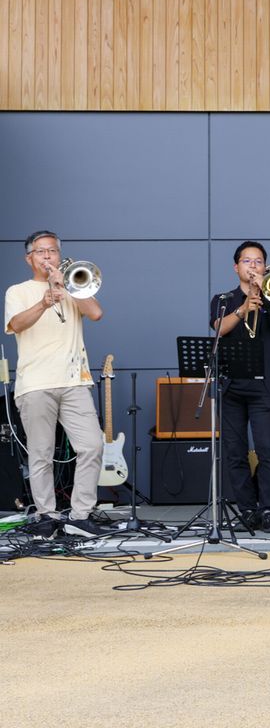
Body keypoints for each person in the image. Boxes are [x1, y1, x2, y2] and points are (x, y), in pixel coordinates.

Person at [4, 231, 106, 539]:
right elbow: (16, 325)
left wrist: (66, 287)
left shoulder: (73, 286)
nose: (47, 257)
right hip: (35, 383)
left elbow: (97, 313)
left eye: (52, 251)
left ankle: (79, 516)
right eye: (41, 252)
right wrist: (45, 301)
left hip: (74, 381)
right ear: (29, 258)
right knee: (41, 453)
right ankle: (46, 516)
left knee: (92, 445)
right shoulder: (18, 291)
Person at [210, 241, 270, 534]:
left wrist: (266, 296)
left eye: (258, 262)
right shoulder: (223, 299)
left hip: (264, 385)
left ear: (265, 267)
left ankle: (268, 511)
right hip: (231, 385)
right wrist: (244, 308)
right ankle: (246, 510)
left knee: (268, 451)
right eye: (247, 261)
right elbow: (218, 328)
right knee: (234, 452)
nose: (253, 266)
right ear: (236, 267)